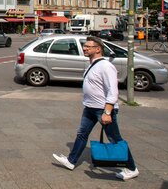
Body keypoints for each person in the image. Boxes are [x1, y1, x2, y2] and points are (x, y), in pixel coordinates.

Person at [52, 36, 139, 180]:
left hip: (102, 109)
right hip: (90, 107)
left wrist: (107, 112)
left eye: (88, 46)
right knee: (81, 134)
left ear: (98, 49)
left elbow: (113, 91)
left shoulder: (106, 66)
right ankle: (71, 161)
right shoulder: (92, 64)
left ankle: (132, 168)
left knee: (115, 139)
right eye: (85, 46)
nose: (85, 48)